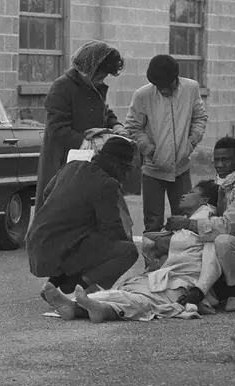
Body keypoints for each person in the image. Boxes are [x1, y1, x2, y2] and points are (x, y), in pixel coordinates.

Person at [40, 180, 223, 323]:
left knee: (143, 301)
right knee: (125, 292)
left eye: (191, 192)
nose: (184, 194)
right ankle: (74, 306)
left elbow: (211, 262)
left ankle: (92, 308)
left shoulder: (208, 224)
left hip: (183, 285)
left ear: (204, 200)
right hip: (165, 278)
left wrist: (198, 291)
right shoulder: (186, 224)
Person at [166, 137, 235, 312]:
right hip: (234, 260)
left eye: (225, 160)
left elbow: (226, 226)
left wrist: (188, 223)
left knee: (222, 240)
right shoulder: (224, 182)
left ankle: (234, 296)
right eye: (216, 160)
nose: (219, 165)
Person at [26, 137, 139, 298]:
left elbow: (47, 193)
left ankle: (51, 285)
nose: (126, 175)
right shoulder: (106, 184)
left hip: (37, 243)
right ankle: (79, 287)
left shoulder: (72, 166)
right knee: (128, 251)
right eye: (125, 170)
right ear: (116, 166)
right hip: (60, 249)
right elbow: (112, 230)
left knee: (86, 239)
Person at [35, 40, 127, 211]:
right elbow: (57, 129)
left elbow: (104, 112)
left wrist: (116, 126)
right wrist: (88, 144)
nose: (101, 80)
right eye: (100, 75)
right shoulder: (62, 87)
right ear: (88, 69)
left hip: (89, 162)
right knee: (59, 212)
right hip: (63, 162)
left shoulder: (94, 88)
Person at [126, 54, 208, 233]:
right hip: (152, 171)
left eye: (165, 86)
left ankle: (181, 261)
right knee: (153, 223)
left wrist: (191, 142)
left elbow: (199, 118)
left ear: (175, 79)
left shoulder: (191, 88)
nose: (162, 90)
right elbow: (133, 127)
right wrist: (149, 150)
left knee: (184, 221)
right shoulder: (142, 95)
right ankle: (153, 262)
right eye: (158, 86)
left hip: (181, 169)